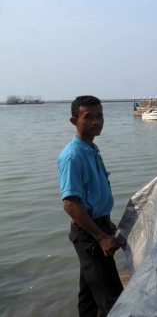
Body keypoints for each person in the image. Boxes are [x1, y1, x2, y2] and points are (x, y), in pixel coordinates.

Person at [57, 95, 124, 317]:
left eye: (99, 116)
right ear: (74, 121)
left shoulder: (91, 149)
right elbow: (70, 204)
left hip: (98, 225)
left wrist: (106, 222)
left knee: (89, 298)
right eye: (88, 117)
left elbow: (93, 194)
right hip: (90, 235)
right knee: (113, 299)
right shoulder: (73, 156)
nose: (96, 121)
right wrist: (101, 237)